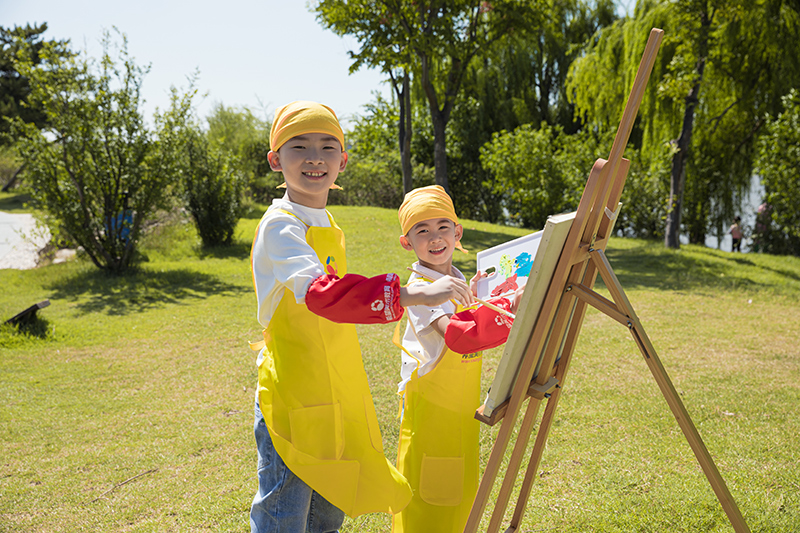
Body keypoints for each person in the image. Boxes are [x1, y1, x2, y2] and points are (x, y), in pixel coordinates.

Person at [248, 101, 474, 533]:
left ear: (343, 161)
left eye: (328, 147)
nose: (315, 158)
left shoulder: (324, 221)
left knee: (328, 510)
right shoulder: (281, 225)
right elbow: (322, 296)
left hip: (334, 384)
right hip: (294, 388)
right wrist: (413, 293)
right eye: (300, 146)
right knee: (285, 511)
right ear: (276, 160)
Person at [392, 185, 518, 533]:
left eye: (443, 227)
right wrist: (511, 307)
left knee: (459, 495)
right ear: (407, 242)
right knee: (426, 500)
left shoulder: (457, 279)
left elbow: (466, 313)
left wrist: (485, 296)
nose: (435, 238)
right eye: (423, 230)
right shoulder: (421, 288)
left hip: (459, 411)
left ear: (457, 231)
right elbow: (458, 335)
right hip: (431, 410)